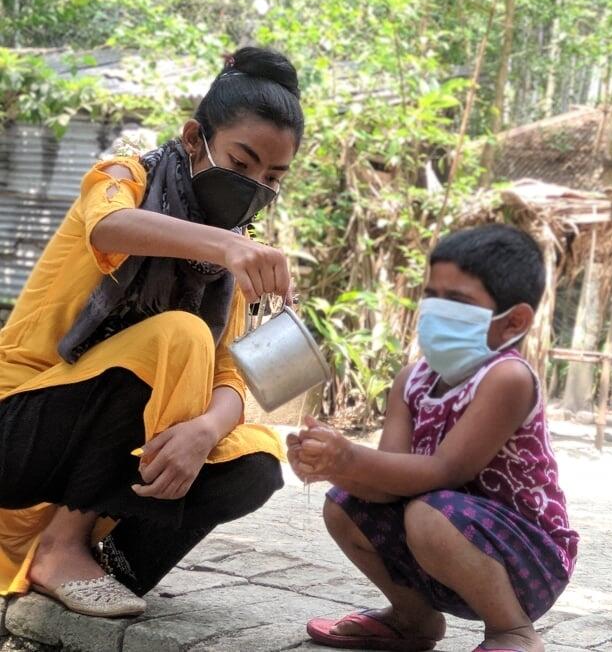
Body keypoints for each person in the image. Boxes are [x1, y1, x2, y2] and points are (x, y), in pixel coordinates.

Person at [0, 47, 304, 618]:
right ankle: (62, 546)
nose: (255, 186)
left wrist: (204, 431)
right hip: (18, 429)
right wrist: (230, 245)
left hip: (85, 459)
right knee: (180, 336)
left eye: (272, 177)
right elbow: (109, 226)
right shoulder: (126, 177)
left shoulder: (227, 262)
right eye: (241, 164)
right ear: (194, 139)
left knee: (256, 462)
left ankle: (106, 560)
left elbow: (231, 376)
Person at [288, 224, 578, 652]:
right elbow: (387, 485)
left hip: (527, 559)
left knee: (428, 512)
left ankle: (512, 630)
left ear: (513, 321)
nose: (437, 311)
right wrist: (332, 467)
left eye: (458, 302)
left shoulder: (507, 377)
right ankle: (413, 619)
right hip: (441, 538)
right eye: (433, 296)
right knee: (344, 504)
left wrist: (349, 458)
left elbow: (445, 471)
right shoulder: (411, 381)